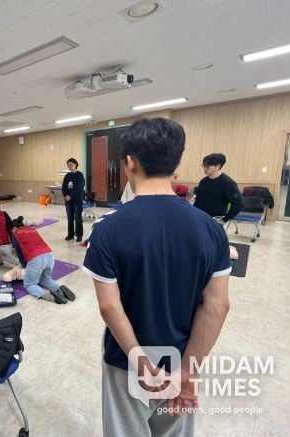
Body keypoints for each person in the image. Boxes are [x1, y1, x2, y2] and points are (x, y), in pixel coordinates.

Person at [83, 118, 231, 437]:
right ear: (177, 164)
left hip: (125, 362)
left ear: (130, 163)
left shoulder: (106, 230)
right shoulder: (211, 230)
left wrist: (140, 362)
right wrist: (187, 372)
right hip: (180, 357)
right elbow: (217, 306)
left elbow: (110, 307)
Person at [11, 216, 76, 304]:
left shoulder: (15, 234)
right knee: (44, 278)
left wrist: (25, 265)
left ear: (14, 228)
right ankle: (59, 288)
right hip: (49, 255)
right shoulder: (32, 230)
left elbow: (19, 253)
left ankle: (51, 297)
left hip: (36, 258)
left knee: (29, 284)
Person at [193, 153, 244, 224]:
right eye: (203, 165)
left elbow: (239, 204)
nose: (204, 168)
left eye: (207, 166)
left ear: (218, 166)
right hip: (200, 217)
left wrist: (225, 219)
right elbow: (198, 200)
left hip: (215, 220)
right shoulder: (203, 181)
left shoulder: (228, 183)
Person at [61, 158, 85, 242]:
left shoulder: (80, 175)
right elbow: (64, 187)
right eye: (68, 165)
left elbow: (79, 188)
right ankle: (70, 235)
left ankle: (79, 235)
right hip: (68, 201)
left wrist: (70, 195)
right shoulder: (67, 175)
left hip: (77, 200)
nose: (70, 167)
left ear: (75, 164)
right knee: (70, 218)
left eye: (71, 165)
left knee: (78, 218)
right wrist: (65, 195)